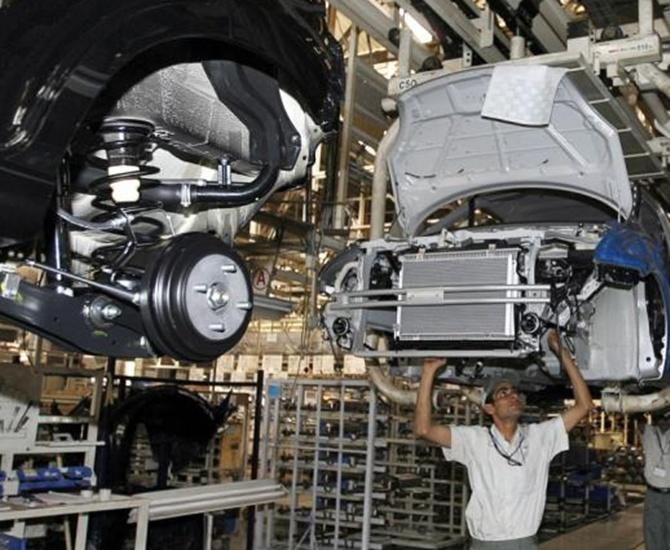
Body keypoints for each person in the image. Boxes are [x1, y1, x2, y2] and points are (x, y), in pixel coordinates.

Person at [414, 330, 593, 549]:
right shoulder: (474, 440)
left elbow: (584, 406)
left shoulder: (540, 437)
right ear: (489, 407)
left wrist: (561, 352)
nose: (513, 395)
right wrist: (428, 372)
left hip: (525, 543)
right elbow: (423, 429)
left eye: (515, 392)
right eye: (503, 392)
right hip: (485, 544)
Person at [640, 409, 670, 550]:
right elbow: (636, 415)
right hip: (653, 493)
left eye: (667, 418)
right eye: (661, 418)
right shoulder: (648, 432)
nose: (664, 421)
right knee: (652, 532)